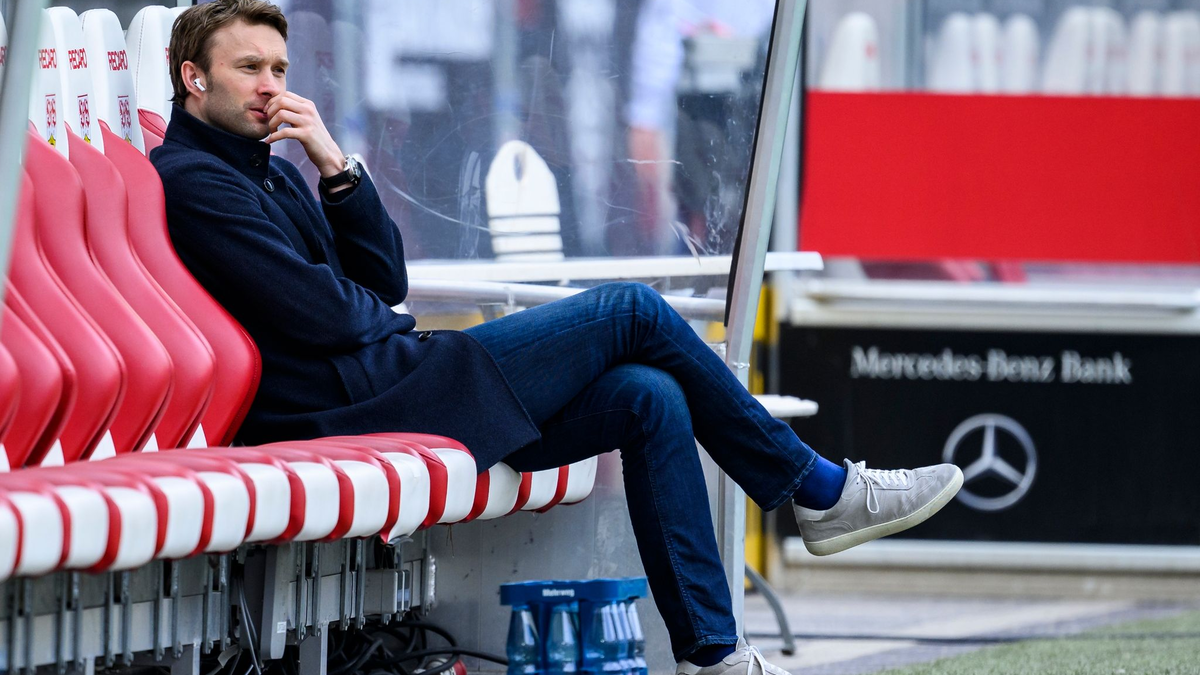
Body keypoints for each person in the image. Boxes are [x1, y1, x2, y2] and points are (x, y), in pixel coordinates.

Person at [151, 3, 963, 675]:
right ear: (195, 78)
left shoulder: (267, 167)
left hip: (383, 376)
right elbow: (334, 313)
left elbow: (381, 280)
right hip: (351, 400)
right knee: (633, 311)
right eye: (249, 69)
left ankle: (715, 656)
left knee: (649, 397)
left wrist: (334, 163)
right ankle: (814, 487)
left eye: (280, 70)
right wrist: (376, 318)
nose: (271, 87)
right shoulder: (192, 182)